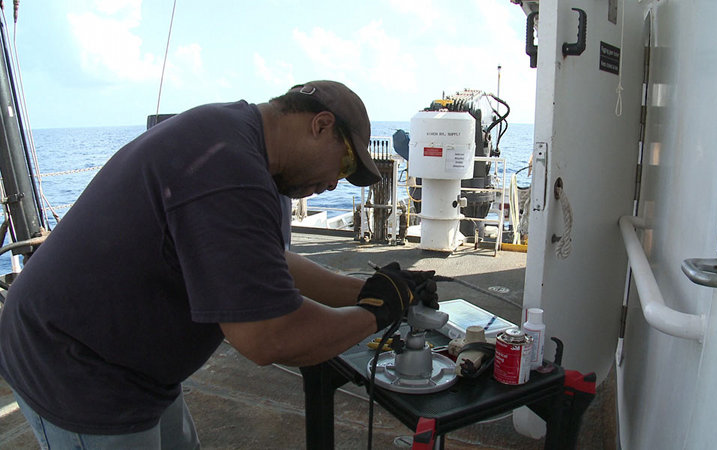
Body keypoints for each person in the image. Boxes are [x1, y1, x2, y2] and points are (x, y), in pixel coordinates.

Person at [0, 80, 433, 448]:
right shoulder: (227, 165)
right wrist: (375, 314)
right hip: (76, 369)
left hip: (139, 370)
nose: (334, 184)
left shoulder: (254, 154)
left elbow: (267, 264)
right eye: (344, 165)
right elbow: (270, 336)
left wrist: (371, 288)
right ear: (320, 125)